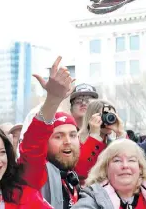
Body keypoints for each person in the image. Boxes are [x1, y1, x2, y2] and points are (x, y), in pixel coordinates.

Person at [18, 56, 102, 209]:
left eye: (72, 135)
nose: (67, 141)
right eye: (58, 136)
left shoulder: (71, 176)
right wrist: (53, 99)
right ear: (45, 142)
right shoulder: (38, 174)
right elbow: (33, 145)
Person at [73, 139, 146, 209]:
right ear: (105, 168)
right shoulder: (93, 196)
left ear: (140, 168)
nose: (125, 166)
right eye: (117, 160)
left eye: (131, 160)